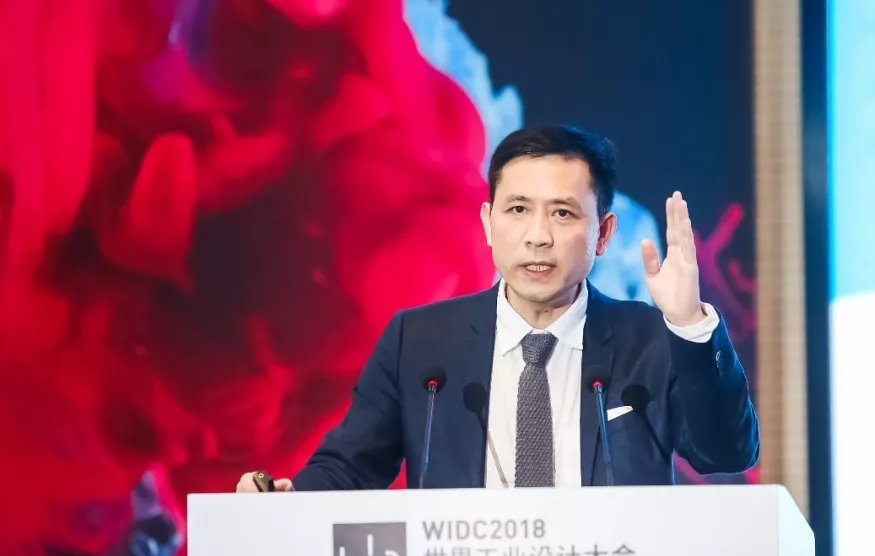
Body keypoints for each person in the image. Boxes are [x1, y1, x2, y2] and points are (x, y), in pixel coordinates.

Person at [237, 124, 758, 492]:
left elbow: (726, 453)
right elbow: (350, 467)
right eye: (517, 210)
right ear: (488, 223)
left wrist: (688, 324)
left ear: (602, 233)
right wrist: (289, 501)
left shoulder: (651, 340)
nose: (537, 236)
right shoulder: (419, 343)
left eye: (562, 213)